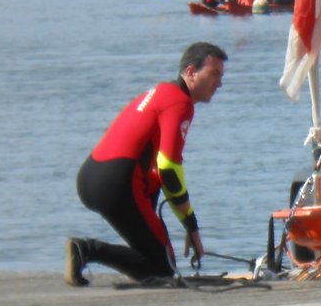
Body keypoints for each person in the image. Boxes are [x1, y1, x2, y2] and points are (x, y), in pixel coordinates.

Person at [65, 42, 228, 285]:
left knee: (155, 254)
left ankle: (86, 251)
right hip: (115, 184)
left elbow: (158, 172)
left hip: (92, 176)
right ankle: (86, 250)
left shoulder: (161, 92)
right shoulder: (180, 103)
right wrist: (191, 226)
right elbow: (168, 168)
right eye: (214, 74)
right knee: (162, 268)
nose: (220, 83)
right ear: (191, 72)